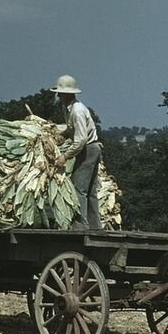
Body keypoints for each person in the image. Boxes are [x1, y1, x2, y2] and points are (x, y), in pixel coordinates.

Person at [51, 74, 103, 230]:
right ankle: (95, 226)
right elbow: (73, 130)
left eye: (60, 93)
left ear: (67, 94)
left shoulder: (77, 111)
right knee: (91, 190)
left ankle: (80, 226)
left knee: (79, 187)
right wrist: (64, 134)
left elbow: (80, 140)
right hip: (91, 148)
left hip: (88, 149)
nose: (58, 96)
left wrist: (64, 156)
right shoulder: (69, 109)